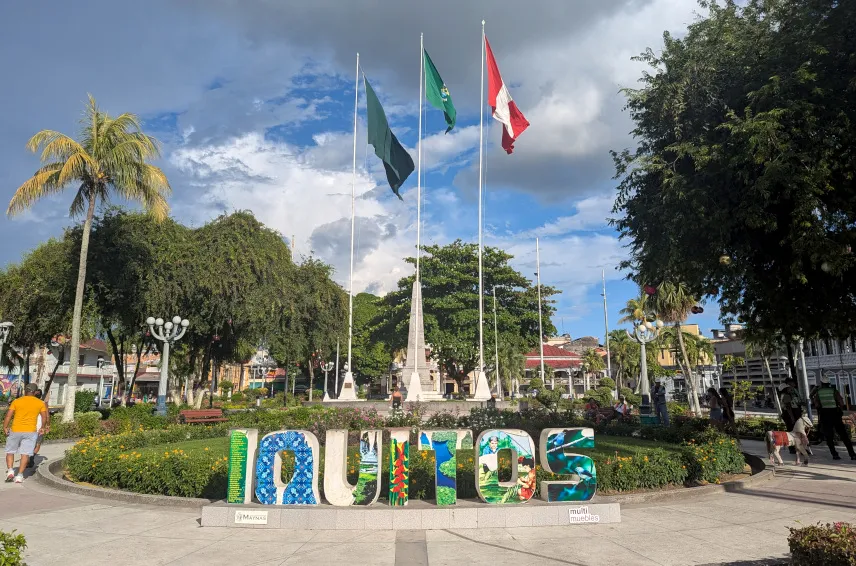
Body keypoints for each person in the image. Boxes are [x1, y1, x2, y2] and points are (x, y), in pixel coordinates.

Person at [3, 383, 49, 483]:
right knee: (25, 454)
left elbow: (8, 416)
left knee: (10, 451)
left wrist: (5, 427)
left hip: (15, 430)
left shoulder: (17, 401)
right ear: (36, 392)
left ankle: (10, 471)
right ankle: (19, 476)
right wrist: (42, 427)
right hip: (30, 432)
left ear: (25, 391)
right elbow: (44, 417)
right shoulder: (40, 403)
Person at [811, 376, 856, 460]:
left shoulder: (818, 392)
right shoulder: (834, 391)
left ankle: (834, 454)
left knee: (829, 436)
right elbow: (841, 402)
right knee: (843, 435)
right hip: (835, 414)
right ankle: (852, 454)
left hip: (825, 414)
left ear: (821, 383)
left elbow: (816, 404)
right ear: (829, 383)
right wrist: (840, 410)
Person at [27, 388, 46, 469]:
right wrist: (46, 426)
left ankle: (29, 457)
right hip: (39, 427)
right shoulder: (43, 403)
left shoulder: (28, 403)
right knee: (37, 444)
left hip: (29, 427)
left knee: (29, 444)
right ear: (41, 395)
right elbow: (47, 416)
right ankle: (31, 456)